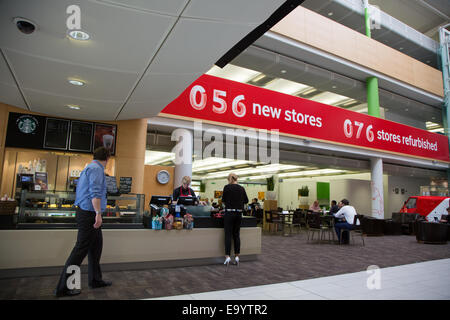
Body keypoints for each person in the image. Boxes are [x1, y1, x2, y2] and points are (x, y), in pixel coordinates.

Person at [55, 147, 112, 297]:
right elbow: (95, 193)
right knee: (80, 250)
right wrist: (98, 214)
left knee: (96, 247)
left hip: (87, 212)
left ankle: (95, 280)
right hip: (89, 214)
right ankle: (63, 287)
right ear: (107, 158)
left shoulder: (89, 167)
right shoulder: (97, 169)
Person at [221, 173, 248, 267]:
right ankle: (237, 256)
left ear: (229, 179)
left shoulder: (227, 187)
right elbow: (246, 200)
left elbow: (223, 200)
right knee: (236, 235)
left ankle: (227, 257)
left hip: (229, 213)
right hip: (239, 214)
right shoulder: (241, 188)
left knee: (228, 235)